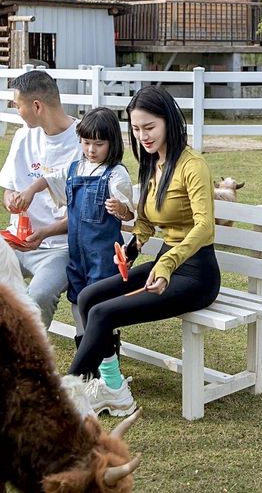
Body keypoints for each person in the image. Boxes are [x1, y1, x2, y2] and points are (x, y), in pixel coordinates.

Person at [67, 86, 221, 418]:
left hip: (196, 274)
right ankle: (111, 387)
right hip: (166, 265)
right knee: (88, 298)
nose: (143, 136)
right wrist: (131, 249)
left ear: (169, 121)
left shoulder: (192, 165)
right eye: (136, 129)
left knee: (103, 314)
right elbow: (147, 223)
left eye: (149, 127)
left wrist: (166, 262)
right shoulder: (152, 162)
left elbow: (205, 227)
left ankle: (67, 394)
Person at [12, 107, 134, 339]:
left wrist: (120, 209)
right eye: (86, 142)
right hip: (78, 256)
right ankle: (86, 355)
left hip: (103, 257)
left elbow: (129, 214)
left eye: (98, 144)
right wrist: (30, 190)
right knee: (79, 303)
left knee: (100, 307)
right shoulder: (75, 168)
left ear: (112, 142)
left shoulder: (116, 175)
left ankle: (108, 360)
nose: (91, 149)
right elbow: (48, 179)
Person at [0, 70, 80, 328]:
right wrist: (11, 200)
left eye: (17, 105)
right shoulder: (23, 136)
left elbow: (83, 213)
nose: (17, 111)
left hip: (58, 248)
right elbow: (8, 189)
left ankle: (26, 356)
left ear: (36, 106)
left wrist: (43, 233)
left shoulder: (84, 142)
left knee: (39, 296)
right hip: (16, 242)